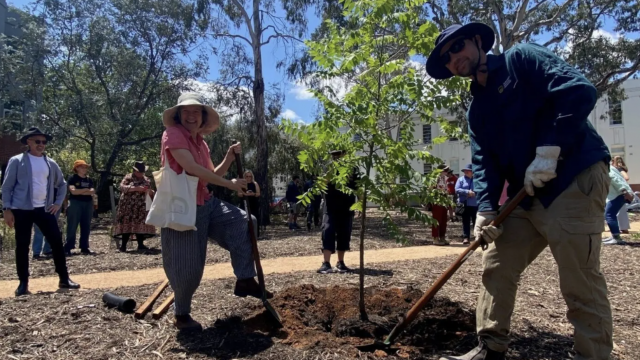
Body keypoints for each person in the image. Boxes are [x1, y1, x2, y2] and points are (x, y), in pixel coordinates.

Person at [426, 23, 613, 360]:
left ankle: (593, 355)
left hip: (572, 178)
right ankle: (490, 347)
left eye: (459, 47)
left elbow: (579, 90)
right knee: (497, 263)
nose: (455, 58)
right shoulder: (477, 111)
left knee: (579, 279)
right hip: (526, 195)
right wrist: (486, 208)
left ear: (478, 42)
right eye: (448, 58)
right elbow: (484, 161)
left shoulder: (521, 59)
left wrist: (549, 149)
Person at [160, 92, 269, 331]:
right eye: (186, 111)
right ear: (178, 115)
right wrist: (231, 185)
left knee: (244, 222)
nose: (191, 116)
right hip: (182, 207)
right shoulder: (173, 134)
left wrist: (229, 158)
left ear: (203, 117)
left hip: (206, 203)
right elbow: (191, 168)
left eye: (196, 112)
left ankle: (244, 279)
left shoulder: (202, 142)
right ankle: (182, 314)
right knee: (188, 264)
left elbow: (211, 175)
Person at [1, 127, 80, 296]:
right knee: (22, 245)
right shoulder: (17, 161)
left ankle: (64, 279)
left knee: (56, 242)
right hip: (21, 210)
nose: (41, 145)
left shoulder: (50, 163)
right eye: (37, 141)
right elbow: (6, 187)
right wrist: (7, 209)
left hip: (44, 209)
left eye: (43, 142)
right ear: (28, 142)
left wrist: (58, 203)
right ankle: (23, 283)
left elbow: (63, 184)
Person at [318, 150, 358, 274]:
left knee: (344, 234)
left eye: (339, 154)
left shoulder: (353, 169)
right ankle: (326, 264)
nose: (336, 157)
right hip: (330, 207)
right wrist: (330, 174)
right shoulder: (328, 168)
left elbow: (359, 186)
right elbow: (321, 184)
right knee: (327, 231)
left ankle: (340, 263)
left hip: (347, 207)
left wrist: (361, 205)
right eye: (334, 155)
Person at [113, 161, 156, 252]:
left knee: (139, 223)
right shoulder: (128, 177)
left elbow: (151, 191)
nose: (141, 174)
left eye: (142, 172)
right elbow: (122, 187)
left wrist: (149, 191)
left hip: (141, 206)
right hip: (128, 205)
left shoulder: (146, 179)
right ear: (135, 171)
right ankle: (123, 246)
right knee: (127, 222)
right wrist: (136, 188)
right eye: (139, 172)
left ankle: (140, 245)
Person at [63, 160, 96, 255]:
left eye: (85, 167)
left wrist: (81, 191)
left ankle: (84, 247)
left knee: (86, 225)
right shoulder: (72, 178)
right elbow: (73, 191)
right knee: (72, 225)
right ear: (76, 168)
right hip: (75, 203)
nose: (84, 169)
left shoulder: (89, 179)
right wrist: (86, 190)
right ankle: (68, 247)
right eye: (82, 167)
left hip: (88, 203)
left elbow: (92, 191)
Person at [603, 166, 634, 245]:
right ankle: (615, 236)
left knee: (609, 215)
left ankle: (617, 238)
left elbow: (614, 179)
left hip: (618, 194)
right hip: (618, 194)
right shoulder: (609, 166)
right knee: (610, 215)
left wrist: (625, 192)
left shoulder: (605, 167)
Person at [455, 164, 477, 245]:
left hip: (475, 204)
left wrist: (474, 193)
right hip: (465, 204)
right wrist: (467, 192)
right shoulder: (460, 179)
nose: (466, 172)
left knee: (476, 221)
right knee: (465, 221)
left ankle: (477, 237)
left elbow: (481, 189)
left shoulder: (477, 179)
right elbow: (457, 189)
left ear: (472, 171)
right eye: (465, 171)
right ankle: (466, 237)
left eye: (468, 170)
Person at [431, 164, 450, 246]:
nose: (446, 172)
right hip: (437, 200)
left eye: (446, 170)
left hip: (444, 200)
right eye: (444, 170)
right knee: (437, 220)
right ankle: (435, 238)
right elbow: (431, 189)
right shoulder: (434, 179)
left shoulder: (445, 178)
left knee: (443, 219)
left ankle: (442, 237)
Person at [238, 170, 261, 237]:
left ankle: (255, 234)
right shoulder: (241, 184)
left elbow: (258, 194)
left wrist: (253, 194)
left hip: (253, 203)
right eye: (247, 176)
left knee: (254, 218)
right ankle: (244, 234)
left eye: (250, 176)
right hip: (244, 203)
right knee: (244, 218)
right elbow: (239, 194)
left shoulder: (255, 184)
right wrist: (245, 194)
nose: (248, 178)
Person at [612, 156, 630, 234]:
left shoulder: (619, 169)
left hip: (621, 191)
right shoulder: (617, 169)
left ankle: (623, 228)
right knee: (617, 211)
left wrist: (620, 182)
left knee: (621, 211)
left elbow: (626, 177)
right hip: (618, 191)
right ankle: (621, 227)